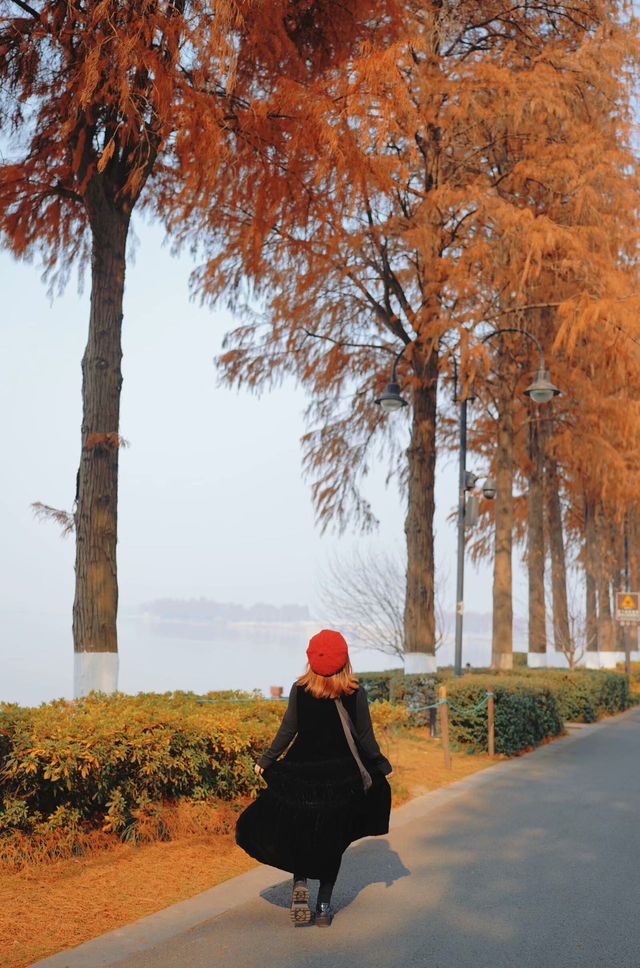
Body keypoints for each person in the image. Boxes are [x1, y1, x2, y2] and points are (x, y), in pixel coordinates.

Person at [235, 629, 394, 927]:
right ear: (345, 660)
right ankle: (322, 908)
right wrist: (382, 765)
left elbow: (288, 730)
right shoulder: (355, 692)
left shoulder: (300, 689)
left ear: (312, 659)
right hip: (340, 780)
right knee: (333, 839)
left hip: (302, 776)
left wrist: (266, 760)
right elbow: (365, 738)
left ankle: (299, 885)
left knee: (303, 833)